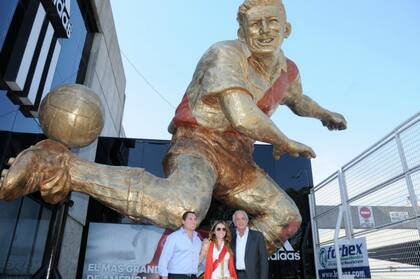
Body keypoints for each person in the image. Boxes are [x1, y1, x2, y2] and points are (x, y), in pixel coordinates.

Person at [0, 0, 346, 252]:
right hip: (200, 142)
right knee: (183, 205)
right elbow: (241, 114)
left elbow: (298, 100)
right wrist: (284, 141)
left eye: (273, 23)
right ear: (241, 31)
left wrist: (325, 115)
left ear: (286, 29)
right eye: (256, 25)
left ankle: (219, 265)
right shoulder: (224, 54)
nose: (265, 31)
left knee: (287, 217)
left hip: (239, 158)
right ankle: (61, 165)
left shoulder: (289, 70)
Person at [158, 211, 202, 279]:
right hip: (177, 276)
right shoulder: (174, 237)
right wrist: (164, 276)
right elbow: (164, 259)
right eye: (190, 219)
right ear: (183, 221)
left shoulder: (198, 240)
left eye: (195, 219)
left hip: (193, 276)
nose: (193, 221)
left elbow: (199, 262)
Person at [231, 210, 268, 279]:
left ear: (247, 221)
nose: (240, 221)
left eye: (243, 218)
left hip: (253, 276)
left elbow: (263, 261)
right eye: (237, 219)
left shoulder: (257, 236)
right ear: (234, 223)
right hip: (235, 276)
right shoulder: (231, 237)